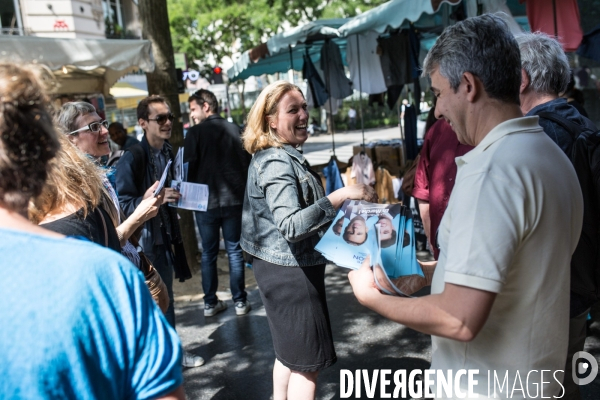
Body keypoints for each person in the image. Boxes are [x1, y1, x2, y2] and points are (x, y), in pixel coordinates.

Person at [348, 14, 583, 398]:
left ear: (469, 86)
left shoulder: (493, 171)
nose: (437, 110)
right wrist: (427, 273)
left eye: (439, 93)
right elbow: (515, 260)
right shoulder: (549, 155)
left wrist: (370, 297)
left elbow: (458, 319)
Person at [0, 62, 184, 399]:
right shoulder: (99, 272)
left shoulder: (102, 179)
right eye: (94, 126)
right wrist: (139, 216)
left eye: (102, 124)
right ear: (53, 145)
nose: (106, 132)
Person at [241, 80, 378, 400]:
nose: (304, 114)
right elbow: (290, 225)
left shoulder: (276, 154)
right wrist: (341, 195)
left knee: (289, 355)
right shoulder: (276, 160)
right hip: (291, 273)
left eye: (304, 107)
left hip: (281, 268)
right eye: (293, 109)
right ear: (271, 120)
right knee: (306, 365)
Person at [516, 31, 599, 400]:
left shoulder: (534, 137)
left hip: (545, 301)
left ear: (521, 79)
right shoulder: (582, 123)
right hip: (580, 290)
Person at [114, 95, 203, 368]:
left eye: (169, 117)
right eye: (160, 118)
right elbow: (124, 204)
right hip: (145, 242)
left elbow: (171, 186)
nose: (167, 123)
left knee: (166, 298)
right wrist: (155, 198)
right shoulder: (133, 157)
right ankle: (166, 358)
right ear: (143, 123)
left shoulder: (168, 150)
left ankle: (166, 354)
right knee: (156, 300)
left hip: (165, 236)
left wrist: (177, 194)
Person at [184, 89, 252, 317]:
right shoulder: (236, 129)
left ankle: (210, 303)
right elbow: (247, 164)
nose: (191, 115)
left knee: (208, 253)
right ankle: (240, 301)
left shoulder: (194, 134)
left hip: (205, 203)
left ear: (206, 106)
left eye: (193, 109)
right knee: (234, 251)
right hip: (234, 200)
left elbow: (188, 169)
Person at [413, 103, 473, 259]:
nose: (437, 111)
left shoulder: (495, 137)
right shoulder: (437, 131)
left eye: (440, 94)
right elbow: (422, 189)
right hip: (443, 251)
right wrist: (432, 238)